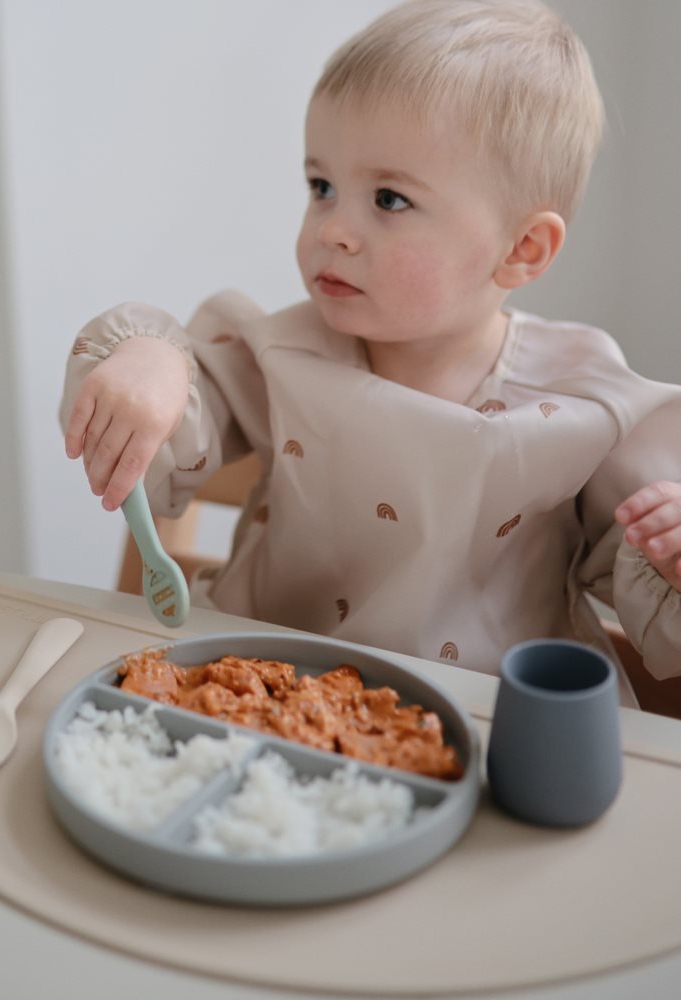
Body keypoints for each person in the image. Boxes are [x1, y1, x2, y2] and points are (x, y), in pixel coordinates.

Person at [59, 0, 681, 701]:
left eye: (388, 199)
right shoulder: (286, 353)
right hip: (261, 695)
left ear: (523, 248)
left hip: (488, 729)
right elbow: (186, 399)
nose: (332, 229)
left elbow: (653, 593)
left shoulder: (581, 401)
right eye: (321, 187)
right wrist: (152, 358)